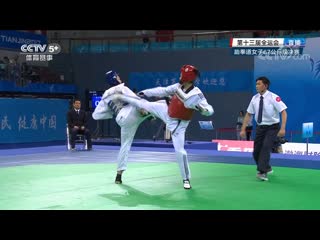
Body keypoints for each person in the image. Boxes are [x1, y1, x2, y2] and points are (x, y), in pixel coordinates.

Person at [110, 64, 214, 189]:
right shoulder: (177, 87)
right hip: (166, 111)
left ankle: (186, 179)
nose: (180, 75)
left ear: (187, 76)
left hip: (178, 126)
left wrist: (204, 110)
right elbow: (162, 90)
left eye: (182, 74)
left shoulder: (197, 94)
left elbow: (210, 109)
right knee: (144, 103)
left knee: (180, 152)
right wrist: (145, 92)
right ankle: (144, 111)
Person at [92, 70, 154, 184]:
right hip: (130, 114)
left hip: (121, 119)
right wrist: (144, 111)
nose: (119, 77)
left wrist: (111, 113)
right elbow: (136, 100)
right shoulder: (121, 88)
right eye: (117, 76)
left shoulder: (105, 95)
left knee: (125, 146)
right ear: (115, 78)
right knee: (144, 101)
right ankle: (156, 114)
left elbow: (95, 115)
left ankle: (118, 175)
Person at [240, 76, 287, 181]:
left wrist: (282, 128)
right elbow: (248, 114)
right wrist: (243, 129)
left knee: (266, 147)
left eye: (259, 84)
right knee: (256, 152)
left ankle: (262, 172)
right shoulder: (254, 98)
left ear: (265, 86)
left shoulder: (274, 97)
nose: (256, 86)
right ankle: (267, 167)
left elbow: (283, 112)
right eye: (256, 84)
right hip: (260, 128)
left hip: (273, 127)